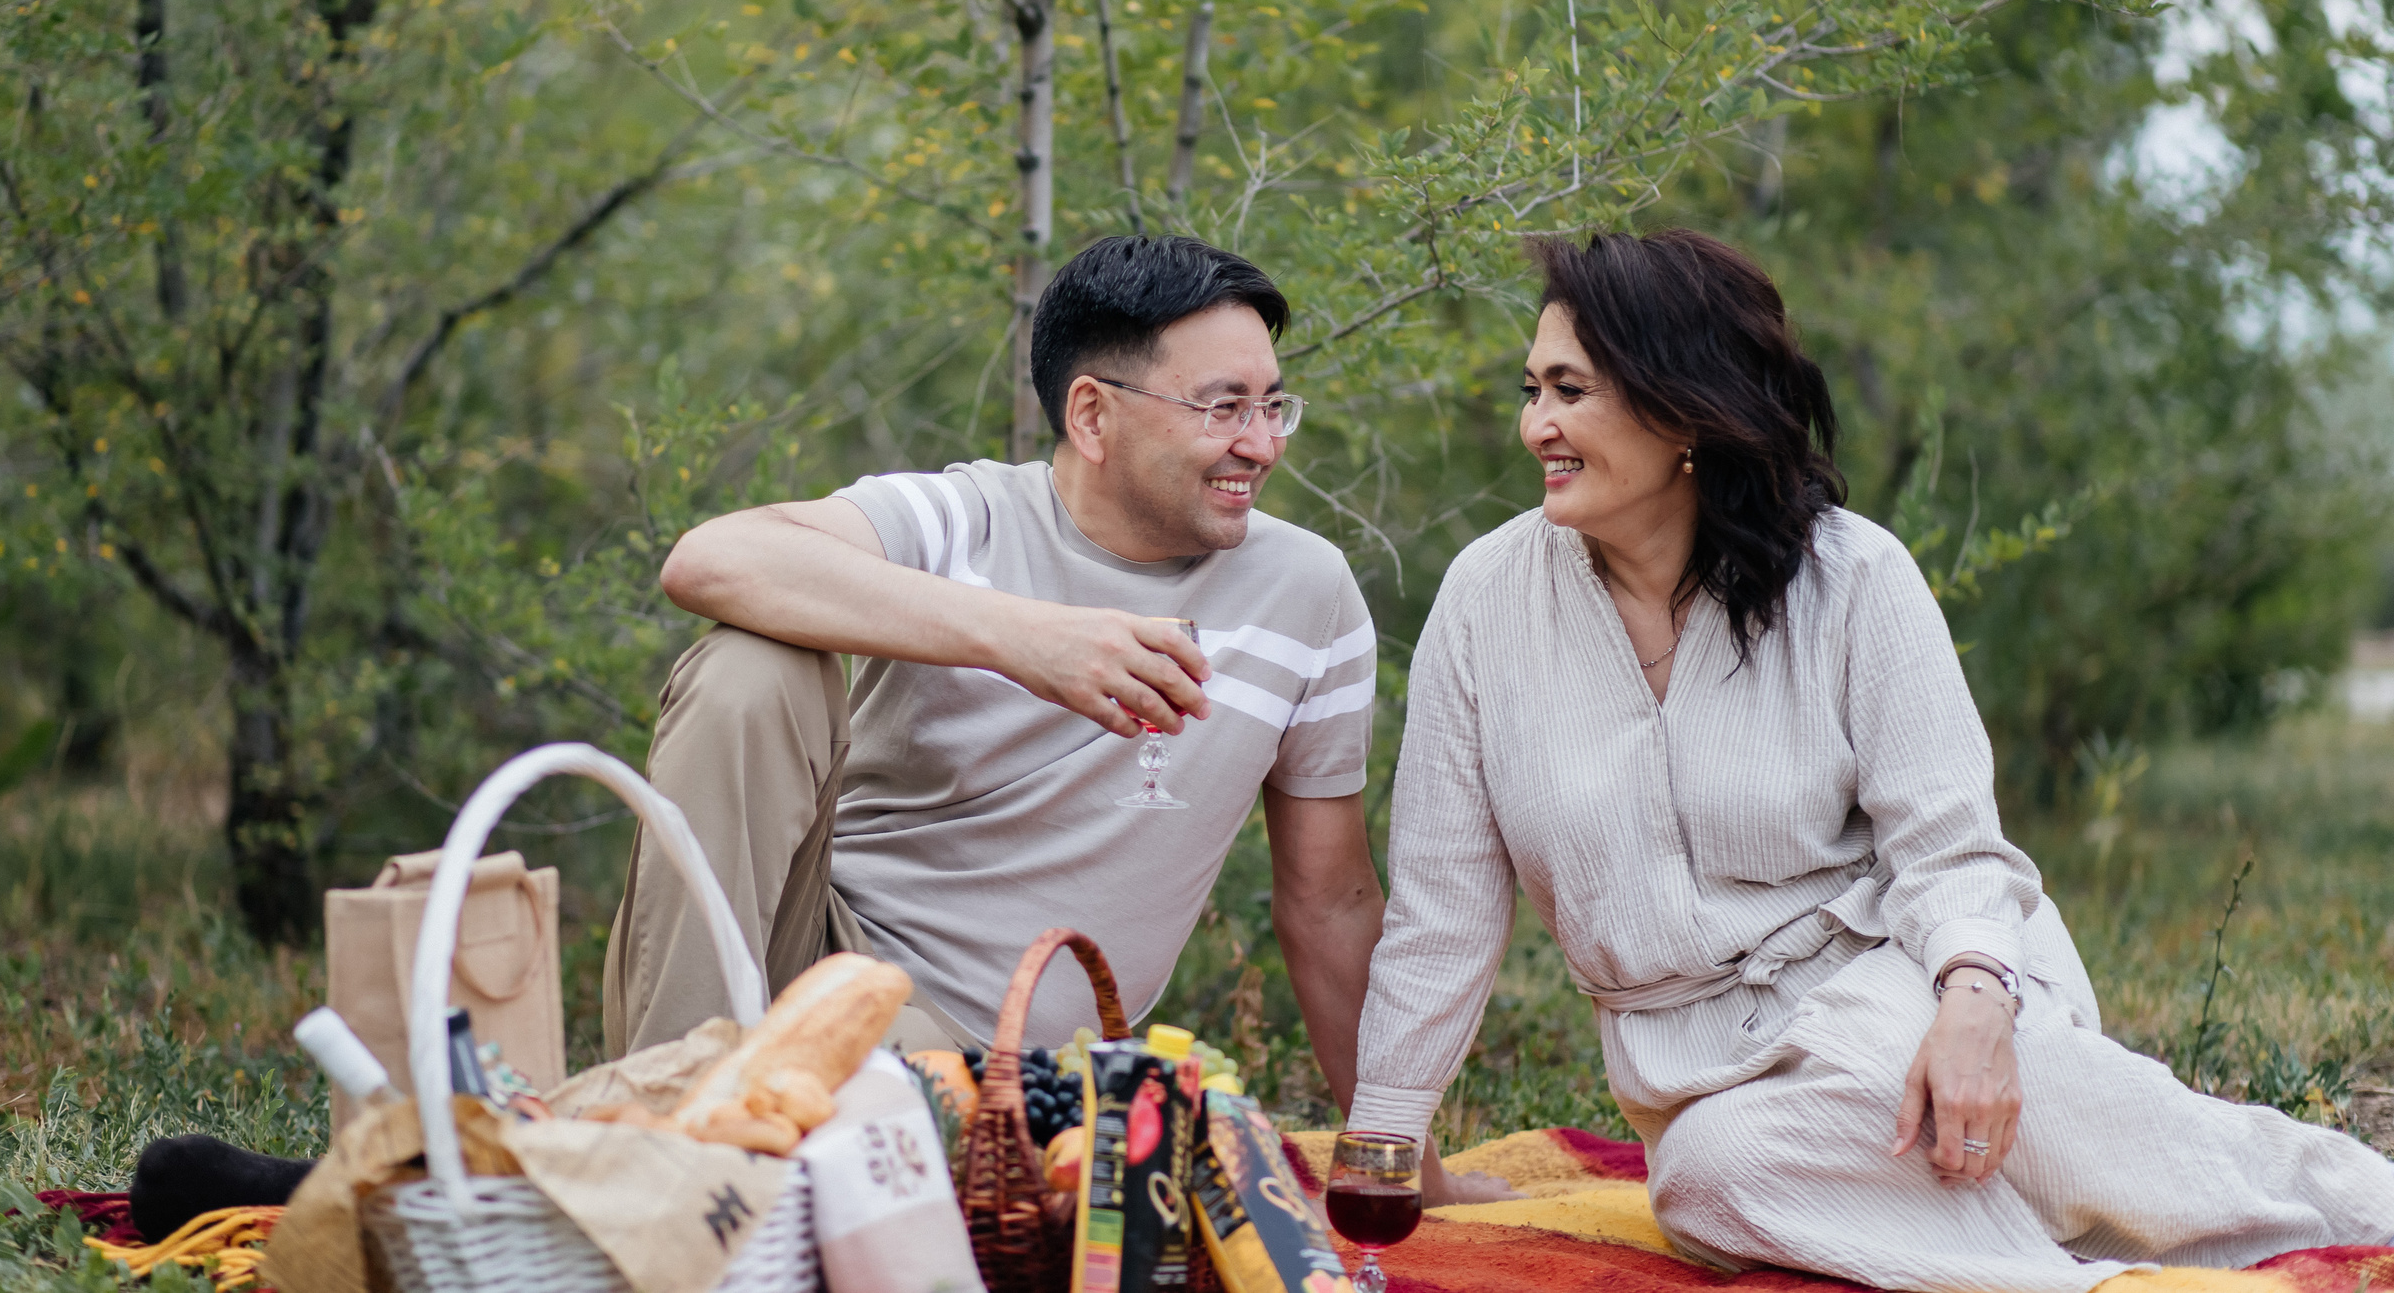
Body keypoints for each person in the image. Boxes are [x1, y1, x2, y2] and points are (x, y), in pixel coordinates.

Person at [1348, 229, 2394, 1290]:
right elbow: (1441, 910)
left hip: (1916, 974)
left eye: (1567, 392)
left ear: (1678, 411)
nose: (1536, 427)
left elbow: (1946, 849)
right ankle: (2077, 1280)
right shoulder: (1485, 605)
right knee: (1709, 1182)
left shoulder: (1851, 575)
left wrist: (1976, 1009)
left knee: (2110, 1150)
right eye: (1530, 391)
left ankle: (2352, 1210)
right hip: (1701, 1077)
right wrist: (1386, 1142)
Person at [606, 234, 1387, 1107]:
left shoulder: (1307, 594)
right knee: (750, 663)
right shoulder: (963, 519)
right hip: (802, 956)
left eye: (1273, 405)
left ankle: (732, 1136)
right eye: (1223, 407)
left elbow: (1331, 904)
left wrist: (1398, 1151)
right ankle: (665, 1126)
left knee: (904, 1104)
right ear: (1092, 415)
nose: (1262, 443)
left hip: (996, 1069)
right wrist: (1025, 638)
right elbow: (712, 559)